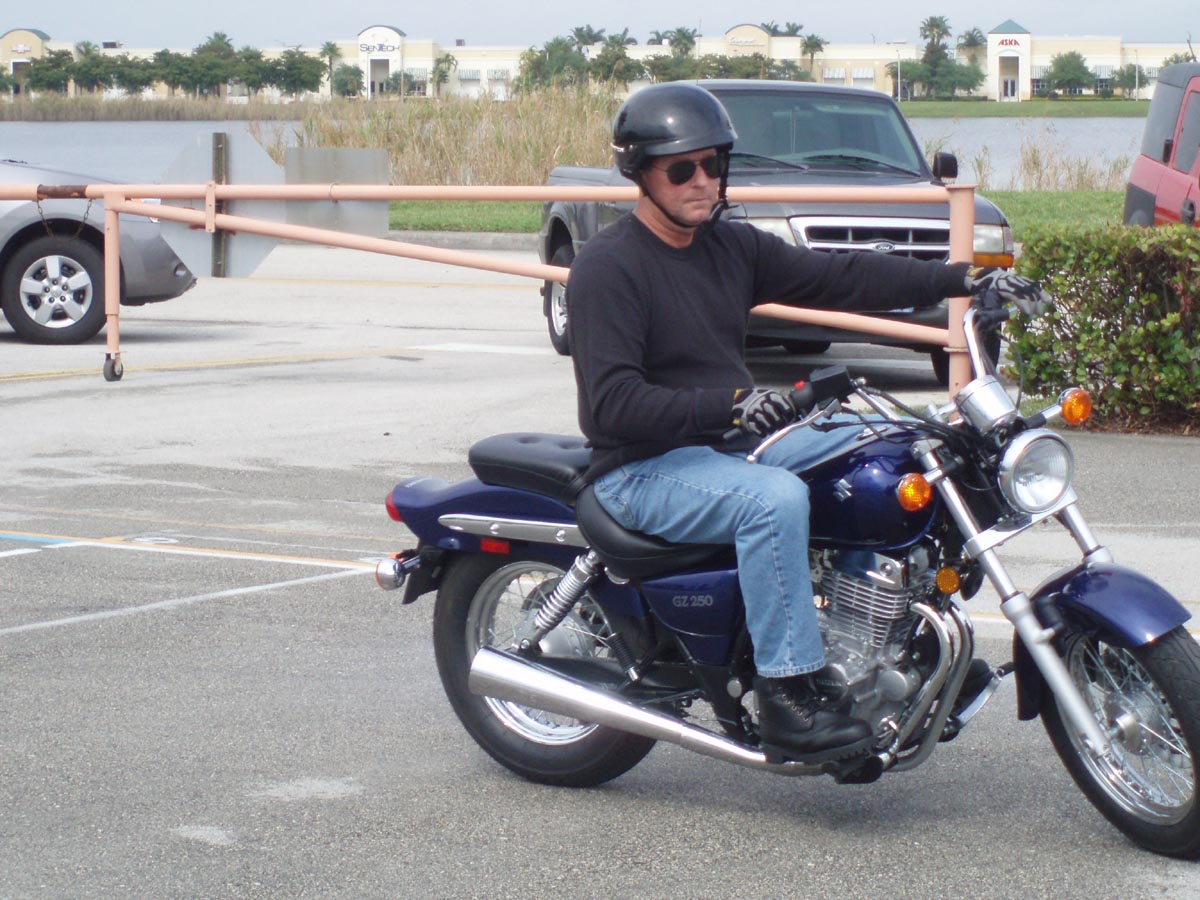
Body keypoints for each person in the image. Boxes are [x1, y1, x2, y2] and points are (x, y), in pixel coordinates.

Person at [567, 83, 1048, 764]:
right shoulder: (608, 267)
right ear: (639, 173)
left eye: (713, 164)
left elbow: (842, 276)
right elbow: (612, 404)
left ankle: (904, 638)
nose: (702, 180)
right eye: (681, 169)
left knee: (898, 454)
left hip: (732, 446)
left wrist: (961, 280)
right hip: (642, 466)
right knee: (774, 502)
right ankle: (786, 694)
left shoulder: (730, 246)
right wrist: (730, 404)